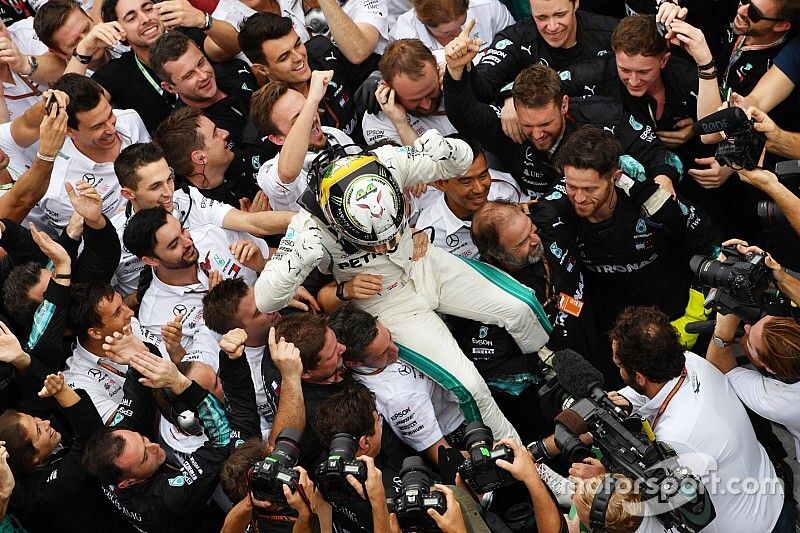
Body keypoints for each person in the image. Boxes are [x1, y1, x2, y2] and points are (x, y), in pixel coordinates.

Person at [254, 129, 551, 443]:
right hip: (386, 303)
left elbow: (460, 160)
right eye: (372, 240)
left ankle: (548, 366)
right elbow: (265, 299)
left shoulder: (389, 161)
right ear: (335, 216)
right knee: (470, 386)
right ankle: (525, 461)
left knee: (522, 307)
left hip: (423, 262)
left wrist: (443, 147)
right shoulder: (308, 228)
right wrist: (298, 260)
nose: (383, 245)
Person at [599, 306, 790, 532]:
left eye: (620, 366)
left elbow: (661, 506)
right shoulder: (688, 361)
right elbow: (650, 394)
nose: (619, 371)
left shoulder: (676, 438)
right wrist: (625, 400)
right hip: (774, 500)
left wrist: (604, 480)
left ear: (639, 377)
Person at [533, 126, 720, 347]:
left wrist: (693, 318)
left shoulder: (653, 203)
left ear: (615, 177)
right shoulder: (556, 213)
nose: (580, 198)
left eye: (590, 189)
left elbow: (712, 251)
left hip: (676, 323)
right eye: (572, 186)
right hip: (616, 336)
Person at [444, 42, 682, 198]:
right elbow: (465, 117)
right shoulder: (510, 126)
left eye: (546, 125)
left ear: (564, 105)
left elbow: (661, 155)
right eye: (528, 125)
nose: (537, 134)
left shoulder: (604, 116)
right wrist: (455, 73)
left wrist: (665, 178)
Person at [83, 336, 247, 533]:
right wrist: (182, 385)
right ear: (128, 482)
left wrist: (140, 354)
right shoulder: (166, 498)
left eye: (143, 439)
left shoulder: (115, 443)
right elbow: (223, 439)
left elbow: (139, 383)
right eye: (145, 457)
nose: (154, 447)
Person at [110, 141, 293, 298]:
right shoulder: (113, 238)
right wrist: (141, 295)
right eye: (156, 186)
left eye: (170, 179)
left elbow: (253, 222)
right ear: (128, 194)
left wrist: (306, 221)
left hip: (252, 289)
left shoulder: (188, 198)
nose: (168, 193)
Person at [0, 323, 134, 533]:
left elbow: (40, 393)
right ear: (32, 459)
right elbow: (92, 440)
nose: (45, 423)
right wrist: (62, 391)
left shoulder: (32, 443)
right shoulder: (46, 494)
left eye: (35, 419)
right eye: (38, 430)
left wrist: (21, 359)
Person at [327, 303, 466, 464]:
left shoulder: (365, 324)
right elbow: (443, 456)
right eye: (383, 354)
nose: (396, 350)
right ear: (353, 363)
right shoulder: (399, 400)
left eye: (391, 339)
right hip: (456, 426)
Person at [706, 240, 800, 462]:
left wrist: (725, 322)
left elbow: (720, 369)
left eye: (748, 339)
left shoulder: (779, 401)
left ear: (767, 367)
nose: (746, 326)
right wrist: (775, 274)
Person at [84, 0, 242, 131]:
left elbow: (235, 45)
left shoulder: (188, 37)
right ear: (119, 31)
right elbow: (73, 108)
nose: (145, 19)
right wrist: (83, 51)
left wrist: (203, 20)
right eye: (131, 18)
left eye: (148, 9)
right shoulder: (118, 72)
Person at [122, 208, 268, 348]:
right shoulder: (156, 320)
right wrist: (218, 310)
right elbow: (203, 366)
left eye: (183, 230)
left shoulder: (211, 235)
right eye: (174, 245)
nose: (188, 242)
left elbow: (274, 257)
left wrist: (262, 266)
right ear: (151, 260)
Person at [238, 12, 380, 143]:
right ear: (262, 69)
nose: (299, 57)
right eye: (284, 57)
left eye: (298, 44)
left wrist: (381, 76)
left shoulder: (322, 52)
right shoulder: (266, 122)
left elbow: (383, 66)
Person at [38, 73, 149, 232]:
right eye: (97, 127)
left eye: (110, 114)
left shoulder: (131, 119)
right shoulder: (60, 193)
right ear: (70, 131)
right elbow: (82, 250)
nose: (111, 129)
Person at [250, 73, 357, 211]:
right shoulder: (270, 172)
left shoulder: (332, 133)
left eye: (307, 108)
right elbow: (287, 173)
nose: (312, 118)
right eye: (298, 120)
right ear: (277, 139)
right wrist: (312, 100)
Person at [415, 136, 524, 259]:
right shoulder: (429, 233)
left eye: (483, 176)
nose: (479, 189)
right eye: (466, 182)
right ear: (441, 183)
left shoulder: (505, 187)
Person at [149, 31, 256, 146]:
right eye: (189, 75)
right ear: (170, 88)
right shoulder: (189, 132)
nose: (204, 76)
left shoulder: (235, 69)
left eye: (201, 63)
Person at [154, 107, 263, 208]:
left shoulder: (245, 157)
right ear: (200, 158)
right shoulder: (197, 212)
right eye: (215, 134)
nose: (225, 133)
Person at [362, 38, 457, 146]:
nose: (426, 105)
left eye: (431, 92)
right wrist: (402, 126)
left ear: (436, 66)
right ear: (388, 88)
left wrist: (463, 80)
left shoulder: (453, 64)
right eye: (414, 100)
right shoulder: (377, 123)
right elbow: (417, 162)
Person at [390, 0, 514, 64]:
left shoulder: (488, 7)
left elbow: (516, 47)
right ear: (421, 20)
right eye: (447, 33)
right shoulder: (405, 32)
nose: (458, 34)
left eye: (462, 23)